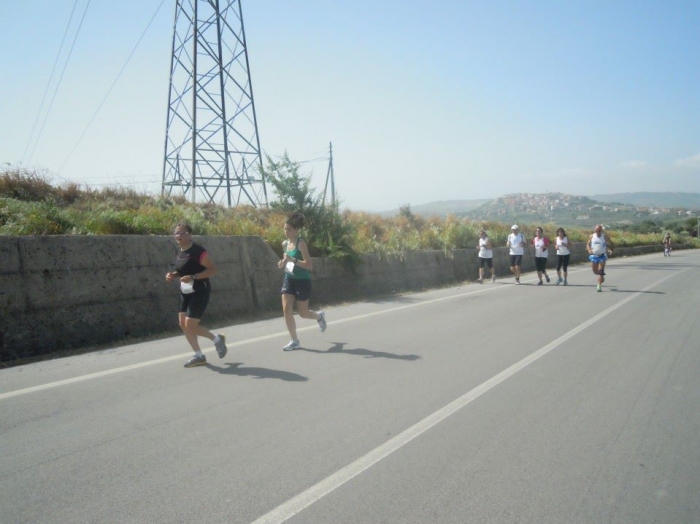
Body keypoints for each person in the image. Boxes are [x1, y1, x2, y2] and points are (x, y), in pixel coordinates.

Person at [165, 223, 227, 367]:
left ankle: (217, 340)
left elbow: (212, 270)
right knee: (183, 324)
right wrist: (173, 275)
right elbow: (182, 270)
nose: (178, 236)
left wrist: (193, 277)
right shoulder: (180, 251)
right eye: (176, 233)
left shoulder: (198, 251)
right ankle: (199, 355)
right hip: (185, 291)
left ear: (189, 235)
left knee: (190, 326)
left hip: (200, 290)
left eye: (181, 233)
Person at [278, 213, 327, 351]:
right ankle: (294, 341)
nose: (286, 232)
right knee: (286, 309)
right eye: (285, 229)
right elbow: (287, 261)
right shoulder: (285, 244)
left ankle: (319, 317)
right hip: (289, 279)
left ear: (296, 230)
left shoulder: (301, 244)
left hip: (302, 281)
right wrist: (282, 263)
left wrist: (292, 260)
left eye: (289, 229)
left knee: (303, 313)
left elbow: (309, 265)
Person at [586, 224, 614, 292]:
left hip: (602, 255)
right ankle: (602, 277)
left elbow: (611, 243)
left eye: (599, 230)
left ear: (601, 230)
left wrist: (610, 250)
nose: (597, 232)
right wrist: (589, 249)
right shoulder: (591, 236)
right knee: (595, 271)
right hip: (594, 255)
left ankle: (599, 285)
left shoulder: (605, 237)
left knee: (601, 270)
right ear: (595, 230)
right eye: (596, 230)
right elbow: (588, 244)